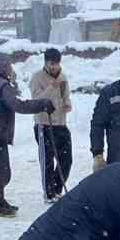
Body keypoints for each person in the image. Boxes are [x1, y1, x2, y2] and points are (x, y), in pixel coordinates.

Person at [0, 52, 53, 218]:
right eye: (8, 66)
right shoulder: (2, 86)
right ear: (2, 67)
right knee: (2, 171)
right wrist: (42, 104)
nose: (11, 69)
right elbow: (18, 105)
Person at [31, 47, 73, 201]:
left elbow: (65, 96)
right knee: (47, 160)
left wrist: (67, 104)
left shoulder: (63, 78)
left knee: (66, 159)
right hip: (44, 125)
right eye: (51, 63)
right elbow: (35, 100)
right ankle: (49, 193)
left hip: (61, 124)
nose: (54, 66)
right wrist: (51, 87)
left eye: (56, 63)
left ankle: (57, 188)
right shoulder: (37, 77)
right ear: (46, 63)